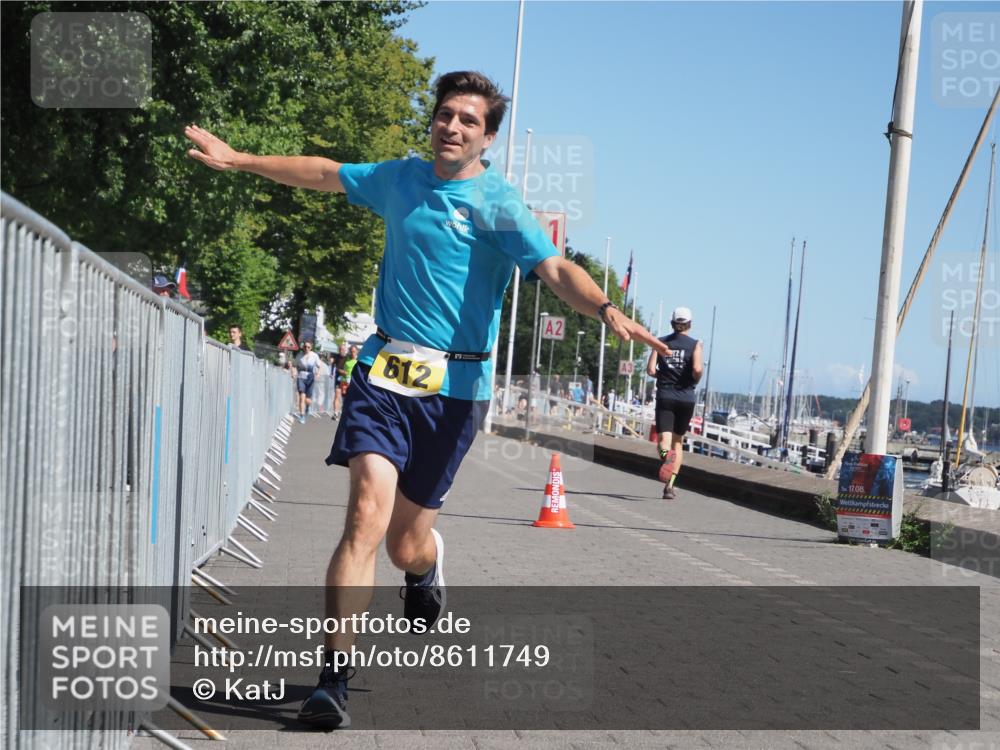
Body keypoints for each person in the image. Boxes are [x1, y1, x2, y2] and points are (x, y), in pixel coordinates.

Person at [185, 69, 666, 730]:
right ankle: (334, 681)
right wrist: (238, 159)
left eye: (469, 120)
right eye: (445, 114)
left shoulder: (500, 204)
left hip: (455, 390)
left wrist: (606, 307)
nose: (452, 126)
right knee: (364, 515)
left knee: (405, 543)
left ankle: (428, 564)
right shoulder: (400, 178)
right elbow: (324, 172)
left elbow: (555, 269)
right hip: (386, 370)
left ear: (487, 137)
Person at [646, 306, 703, 499]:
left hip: (666, 396)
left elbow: (651, 370)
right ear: (689, 324)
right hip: (686, 398)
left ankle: (665, 457)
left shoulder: (660, 342)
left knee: (664, 442)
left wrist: (664, 373)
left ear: (672, 323)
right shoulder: (695, 345)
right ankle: (669, 487)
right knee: (678, 443)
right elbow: (696, 368)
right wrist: (695, 378)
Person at [295, 341, 321, 423]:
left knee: (308, 400)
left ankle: (307, 407)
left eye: (308, 347)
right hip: (301, 377)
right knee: (302, 397)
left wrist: (318, 373)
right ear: (303, 347)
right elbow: (295, 365)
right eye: (305, 346)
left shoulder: (314, 356)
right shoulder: (299, 355)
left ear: (311, 348)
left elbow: (319, 366)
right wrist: (293, 372)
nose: (306, 348)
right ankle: (302, 416)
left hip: (310, 378)